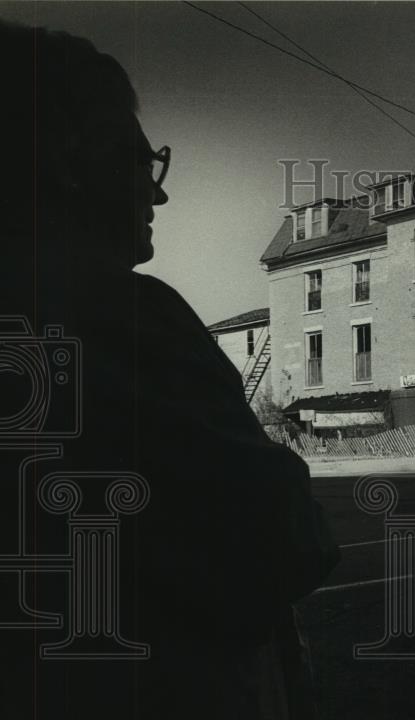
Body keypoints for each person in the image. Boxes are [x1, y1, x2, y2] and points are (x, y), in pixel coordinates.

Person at [0, 23, 338, 719]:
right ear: (72, 160)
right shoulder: (120, 313)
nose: (158, 196)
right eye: (140, 161)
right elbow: (285, 539)